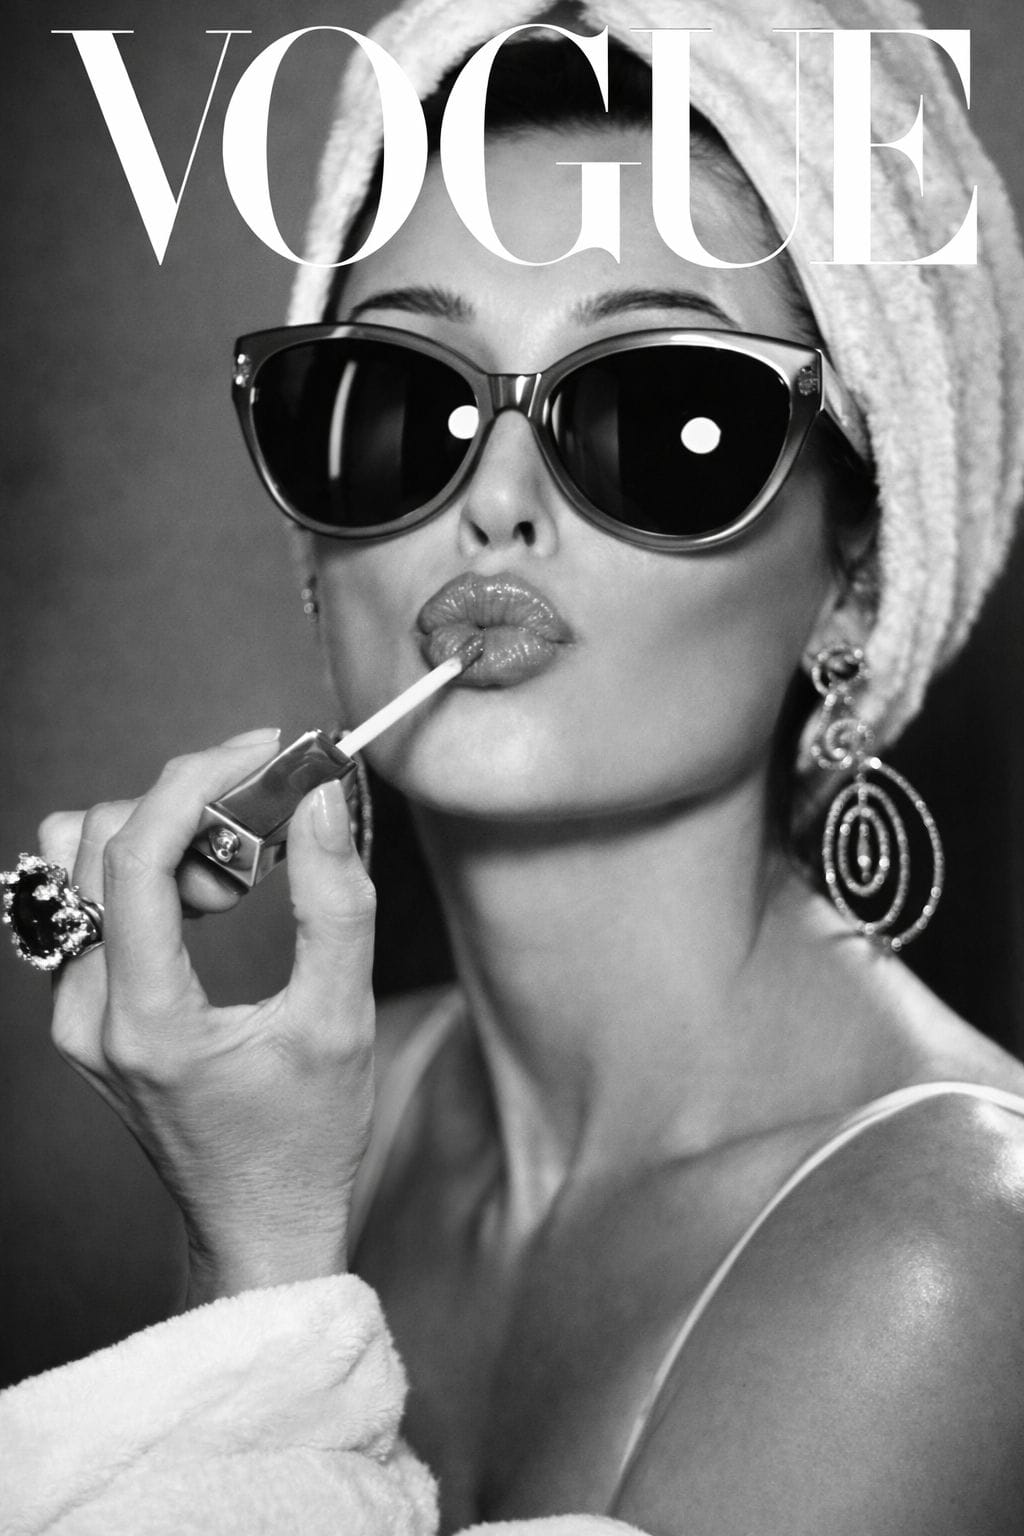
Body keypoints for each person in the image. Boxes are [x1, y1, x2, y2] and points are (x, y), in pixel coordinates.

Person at [3, 2, 1024, 1532]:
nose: (494, 501)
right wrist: (256, 1226)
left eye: (665, 410)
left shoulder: (954, 1254)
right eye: (400, 399)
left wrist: (264, 1271)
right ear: (314, 546)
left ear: (857, 576)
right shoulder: (326, 1124)